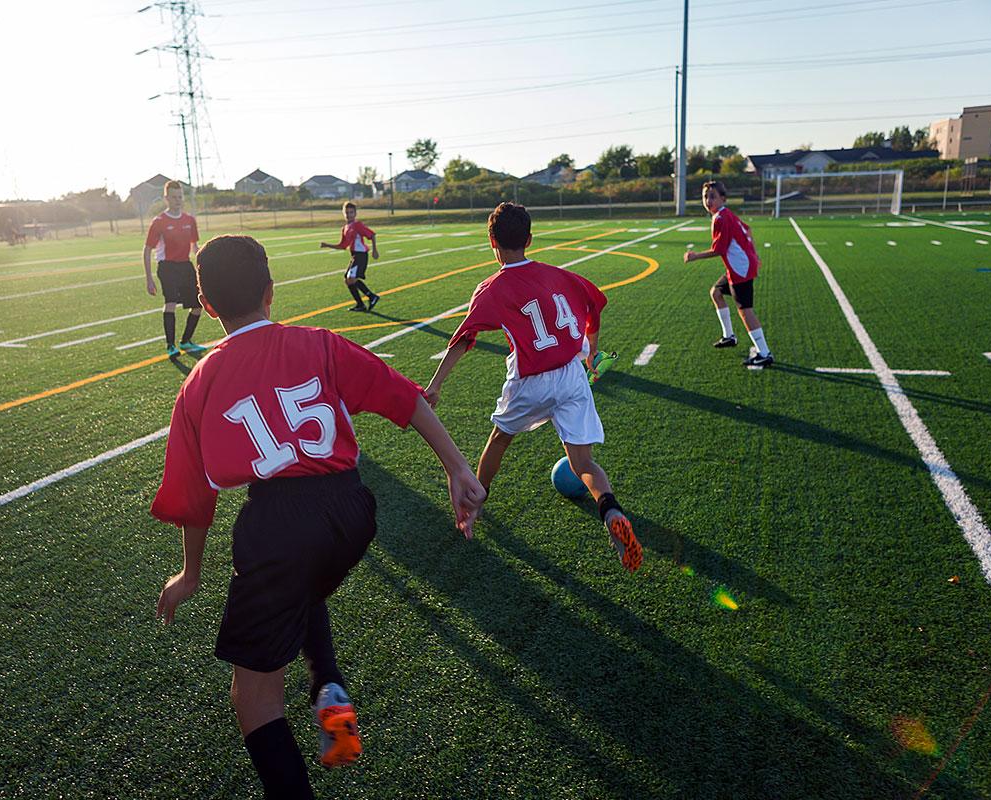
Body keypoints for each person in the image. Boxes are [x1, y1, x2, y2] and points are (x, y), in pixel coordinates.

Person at [151, 234, 485, 799]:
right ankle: (328, 684)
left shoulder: (201, 380)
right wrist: (457, 468)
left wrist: (190, 575)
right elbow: (405, 398)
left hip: (278, 524)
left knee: (253, 699)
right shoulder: (321, 343)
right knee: (302, 587)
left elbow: (192, 499)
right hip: (353, 512)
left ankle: (315, 722)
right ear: (270, 291)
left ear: (206, 307)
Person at [424, 202, 643, 573]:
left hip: (531, 379)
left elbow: (463, 338)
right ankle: (611, 510)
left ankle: (475, 506)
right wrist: (590, 351)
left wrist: (434, 386)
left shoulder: (491, 287)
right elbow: (594, 306)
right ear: (529, 238)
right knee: (584, 462)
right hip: (572, 375)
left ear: (491, 240)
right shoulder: (561, 275)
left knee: (499, 440)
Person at [683, 180, 773, 368]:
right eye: (705, 197)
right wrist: (754, 255)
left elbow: (719, 249)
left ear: (723, 198)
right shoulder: (724, 214)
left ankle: (764, 353)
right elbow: (748, 230)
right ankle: (729, 336)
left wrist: (695, 256)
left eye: (713, 197)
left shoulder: (721, 218)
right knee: (716, 292)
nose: (708, 200)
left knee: (745, 310)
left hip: (740, 269)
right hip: (740, 266)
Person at [143, 180, 205, 358]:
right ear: (166, 198)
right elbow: (147, 250)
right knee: (170, 303)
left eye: (180, 197)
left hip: (185, 265)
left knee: (198, 304)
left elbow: (195, 247)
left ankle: (186, 340)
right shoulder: (159, 222)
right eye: (174, 197)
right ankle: (170, 345)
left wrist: (206, 260)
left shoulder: (189, 220)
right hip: (167, 267)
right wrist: (149, 278)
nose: (178, 200)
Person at [319, 201, 380, 313]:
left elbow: (372, 235)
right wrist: (327, 245)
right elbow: (343, 246)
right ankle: (362, 303)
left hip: (361, 255)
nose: (349, 215)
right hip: (354, 256)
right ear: (343, 213)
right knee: (348, 280)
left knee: (351, 279)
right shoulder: (345, 228)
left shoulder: (357, 225)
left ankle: (371, 297)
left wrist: (375, 250)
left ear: (355, 213)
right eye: (347, 212)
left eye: (351, 212)